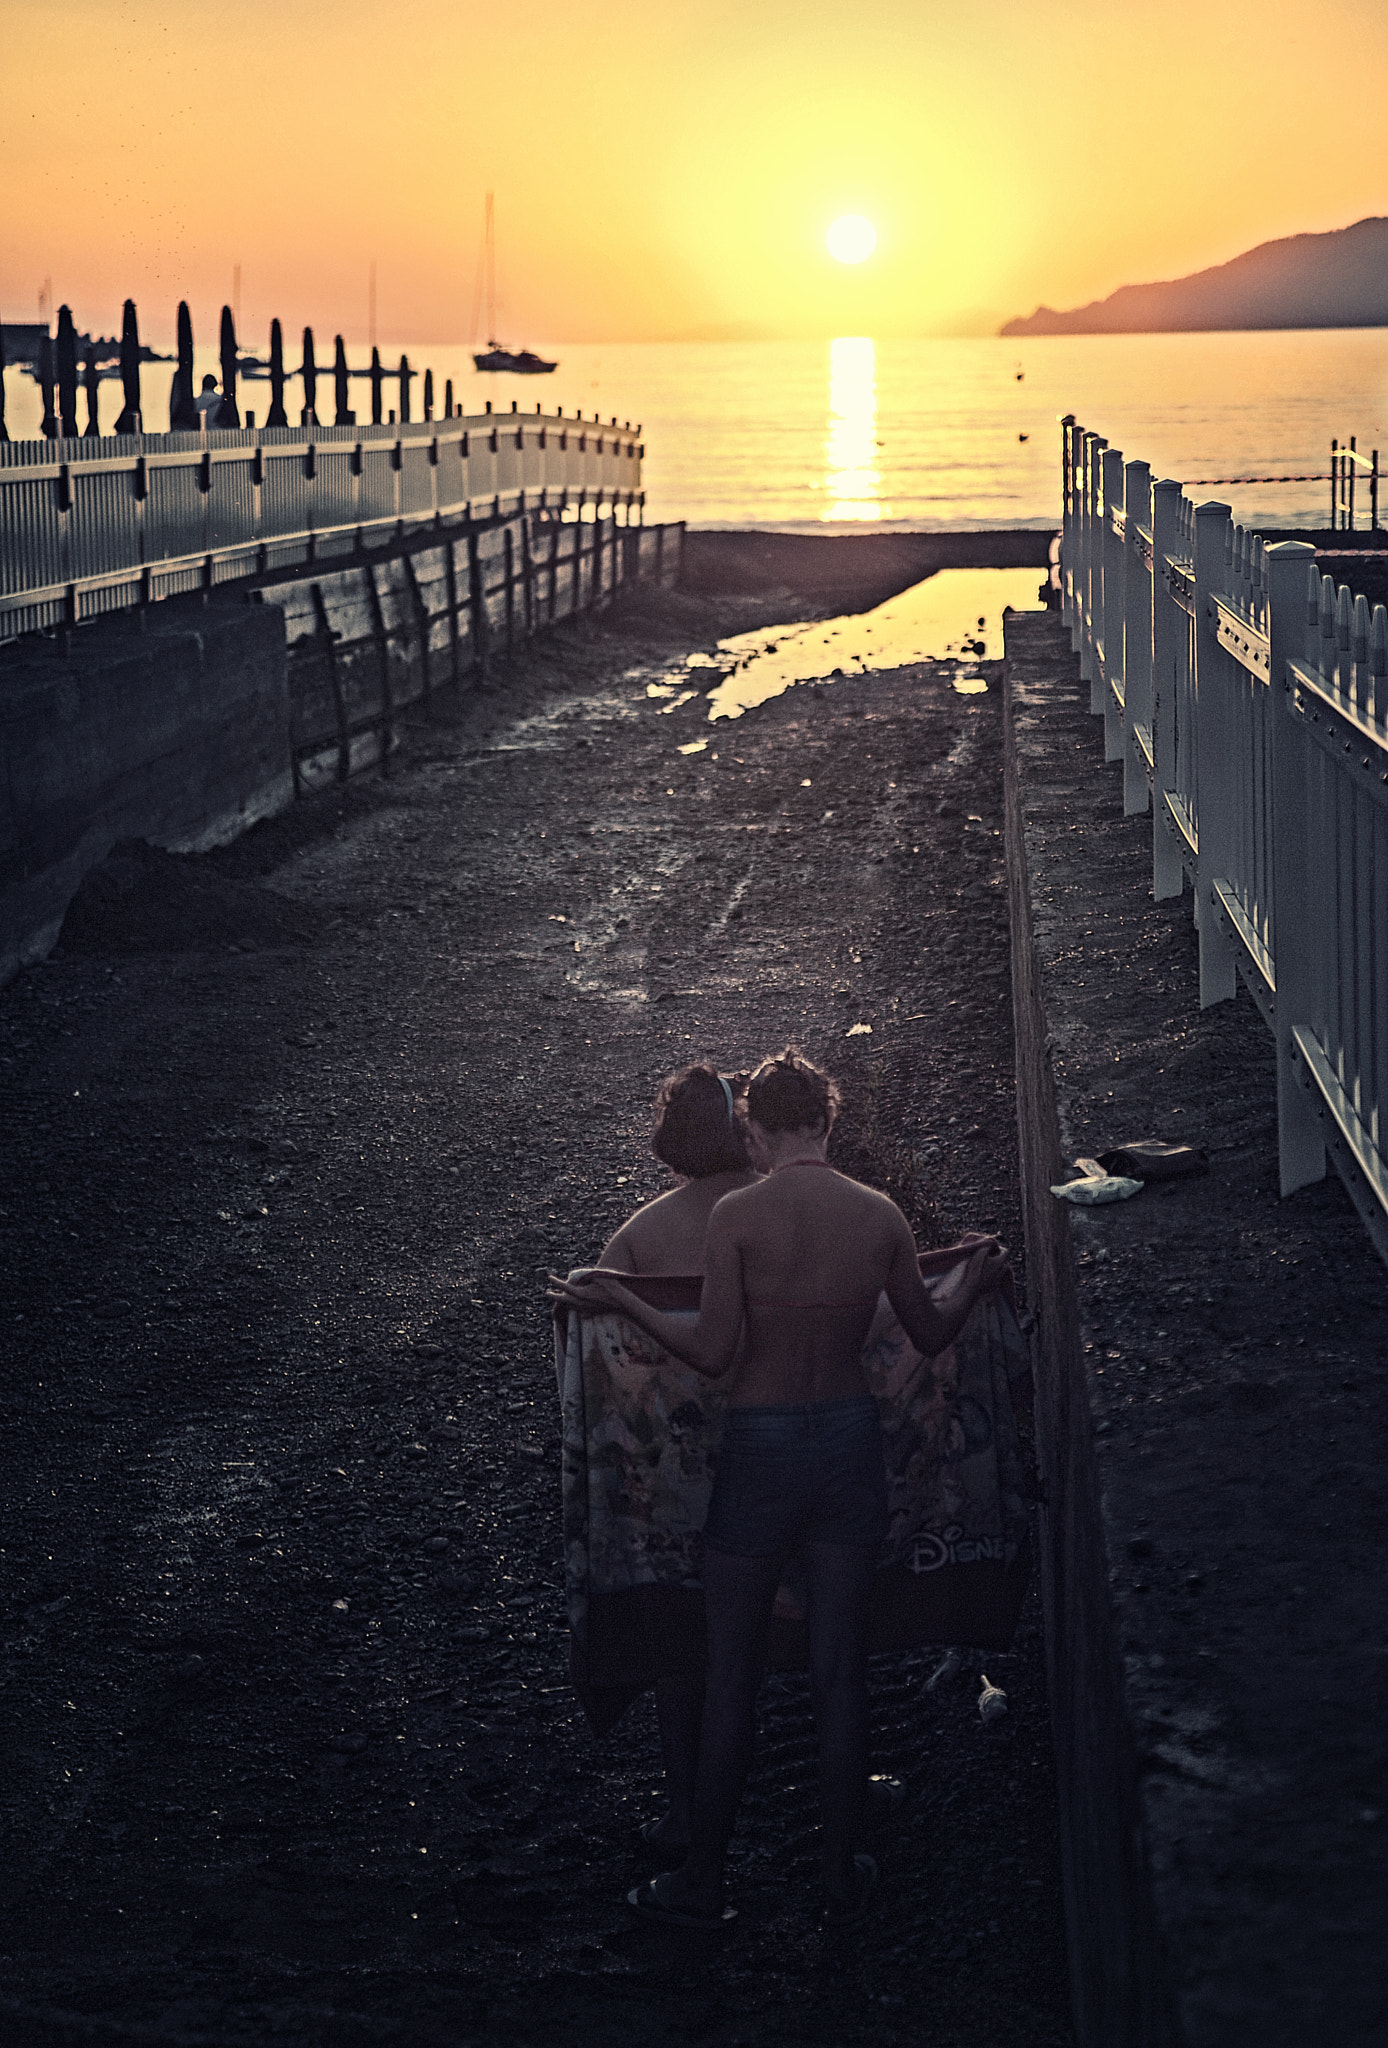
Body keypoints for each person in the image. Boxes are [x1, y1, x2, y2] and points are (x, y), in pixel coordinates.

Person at [551, 1047, 1009, 1928]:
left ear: (753, 1129)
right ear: (829, 1122)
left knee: (730, 1674)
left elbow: (715, 1351)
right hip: (846, 1447)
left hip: (760, 1453)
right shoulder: (880, 1216)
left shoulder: (740, 1217)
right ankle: (841, 1870)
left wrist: (624, 1300)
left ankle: (703, 1879)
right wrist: (978, 1276)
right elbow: (929, 1329)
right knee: (841, 1673)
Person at [595, 1061, 759, 1854]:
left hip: (675, 1469)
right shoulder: (769, 1213)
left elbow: (597, 1349)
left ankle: (688, 1809)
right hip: (772, 1436)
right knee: (811, 1614)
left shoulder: (638, 1233)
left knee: (683, 1648)